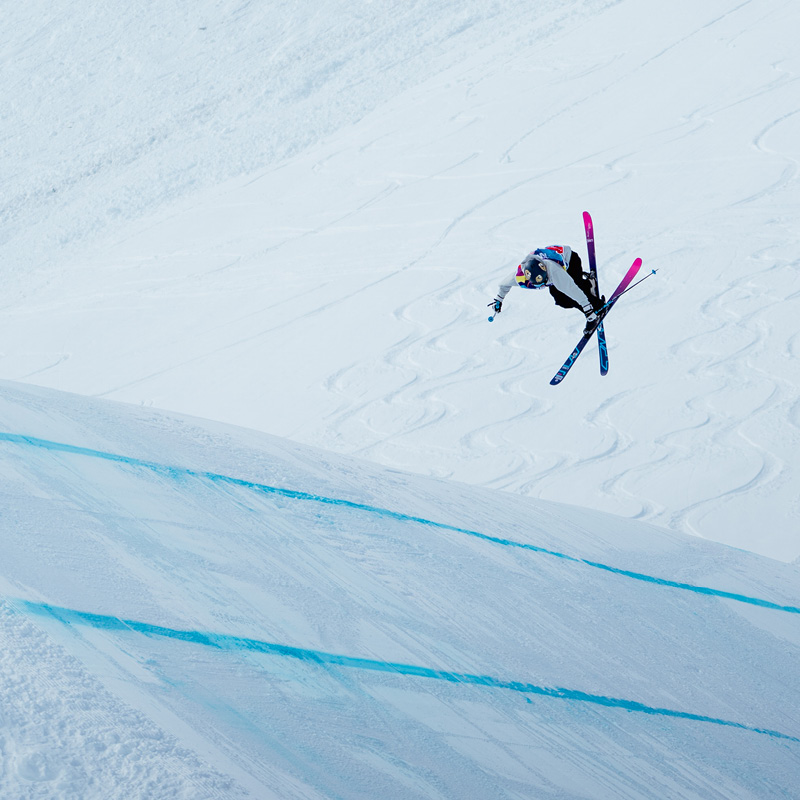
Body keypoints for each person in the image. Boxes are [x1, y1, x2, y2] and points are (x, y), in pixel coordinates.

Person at [488, 245, 606, 335]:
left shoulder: (553, 271)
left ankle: (598, 307)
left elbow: (572, 289)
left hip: (571, 261)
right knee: (561, 301)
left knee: (571, 294)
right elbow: (503, 284)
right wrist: (499, 299)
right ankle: (588, 286)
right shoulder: (521, 276)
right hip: (554, 271)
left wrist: (589, 312)